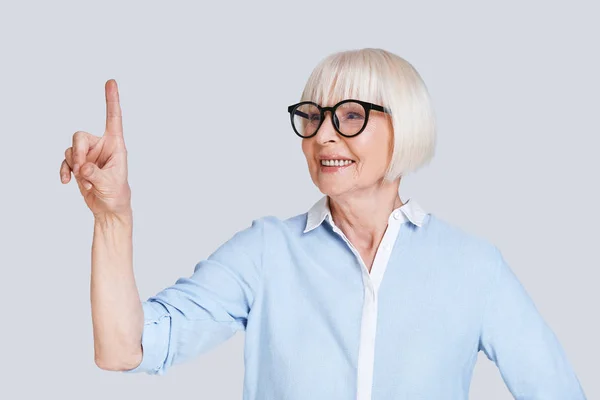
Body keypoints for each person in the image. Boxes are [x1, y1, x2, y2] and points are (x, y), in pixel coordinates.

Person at [60, 48, 587, 399]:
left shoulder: (473, 268)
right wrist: (113, 218)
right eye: (312, 115)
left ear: (403, 129)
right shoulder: (266, 253)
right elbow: (124, 349)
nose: (323, 136)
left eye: (350, 115)